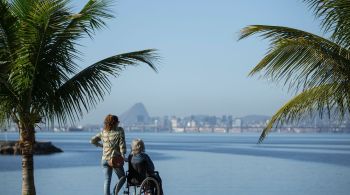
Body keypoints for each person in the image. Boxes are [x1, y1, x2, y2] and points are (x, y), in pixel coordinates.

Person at [90, 114, 126, 195]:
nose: (118, 123)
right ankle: (114, 192)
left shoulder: (103, 132)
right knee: (123, 178)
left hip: (104, 160)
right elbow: (122, 145)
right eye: (118, 122)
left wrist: (102, 146)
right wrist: (123, 156)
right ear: (114, 123)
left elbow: (92, 141)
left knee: (107, 180)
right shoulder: (119, 131)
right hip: (114, 159)